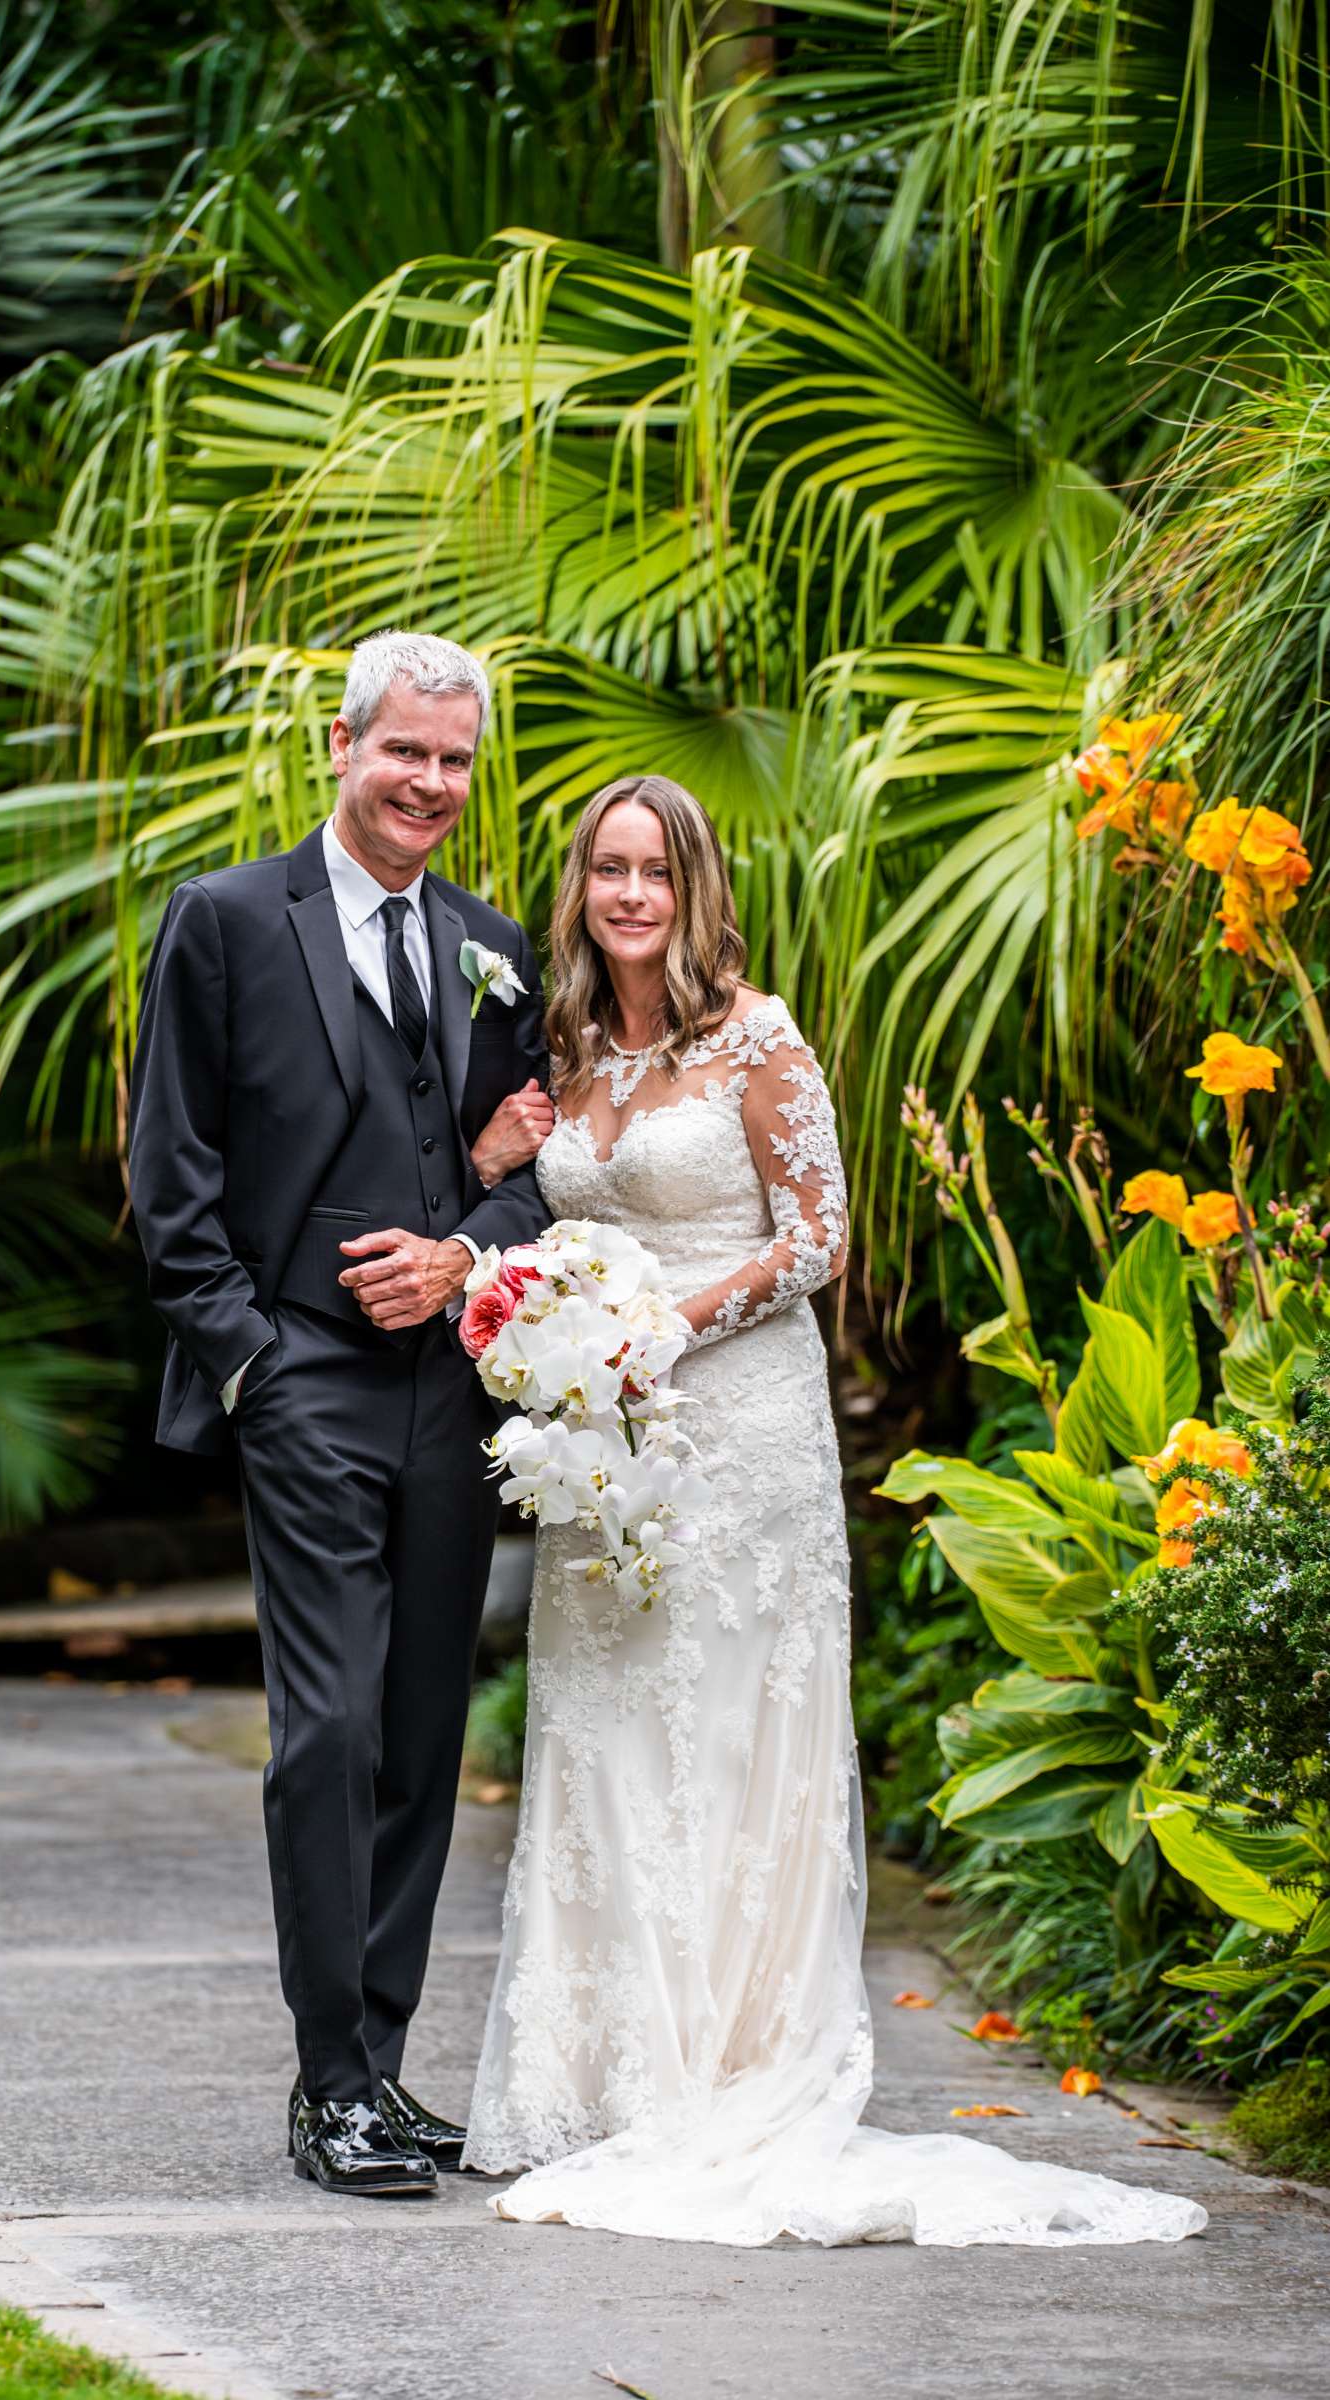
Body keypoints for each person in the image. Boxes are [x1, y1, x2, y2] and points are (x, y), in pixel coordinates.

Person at [459, 772, 1206, 2249]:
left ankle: (734, 2066)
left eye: (653, 871)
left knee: (732, 1737)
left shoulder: (762, 1035)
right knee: (606, 1738)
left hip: (740, 1436)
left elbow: (817, 1241)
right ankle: (600, 2080)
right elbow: (538, 1221)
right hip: (605, 1449)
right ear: (579, 889)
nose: (628, 896)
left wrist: (665, 1318)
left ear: (695, 888)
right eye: (606, 869)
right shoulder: (560, 1049)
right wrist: (527, 1258)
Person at [128, 630, 552, 2200]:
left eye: (455, 762)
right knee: (330, 1727)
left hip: (450, 1393)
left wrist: (468, 1251)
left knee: (427, 1729)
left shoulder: (491, 947)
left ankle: (381, 2059)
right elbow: (169, 1182)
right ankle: (327, 2087)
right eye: (406, 754)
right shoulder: (228, 922)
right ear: (343, 744)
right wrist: (252, 1360)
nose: (431, 785)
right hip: (301, 1378)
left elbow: (524, 1189)